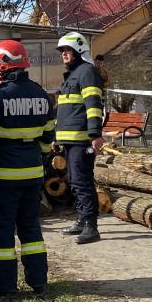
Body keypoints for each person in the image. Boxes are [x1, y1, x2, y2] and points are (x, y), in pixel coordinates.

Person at [0, 40, 54, 297]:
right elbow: (47, 138)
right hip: (33, 172)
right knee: (30, 226)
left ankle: (5, 285)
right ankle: (38, 281)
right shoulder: (40, 94)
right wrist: (39, 160)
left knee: (3, 229)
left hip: (3, 174)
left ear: (2, 65)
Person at [54, 31, 105, 244]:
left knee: (83, 182)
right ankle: (82, 221)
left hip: (82, 139)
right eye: (62, 51)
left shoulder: (87, 72)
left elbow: (93, 105)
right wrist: (56, 137)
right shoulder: (72, 75)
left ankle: (91, 227)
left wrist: (95, 134)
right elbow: (64, 111)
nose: (64, 54)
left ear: (79, 51)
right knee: (74, 182)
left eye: (68, 50)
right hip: (69, 139)